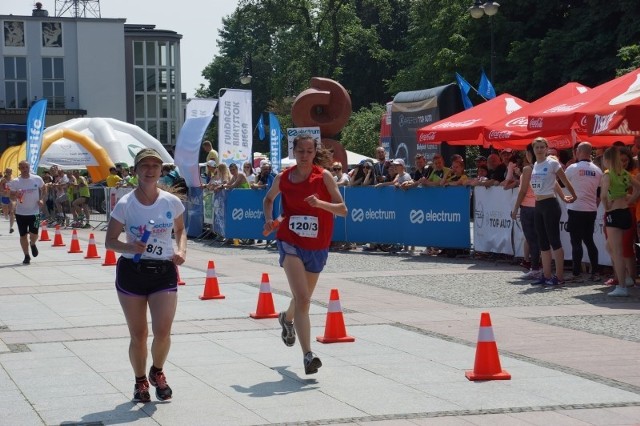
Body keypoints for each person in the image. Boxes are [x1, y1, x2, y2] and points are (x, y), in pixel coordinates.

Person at [105, 148, 187, 402]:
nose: (150, 170)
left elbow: (181, 229)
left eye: (155, 166)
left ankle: (157, 372)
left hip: (163, 271)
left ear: (161, 170)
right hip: (133, 272)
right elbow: (109, 241)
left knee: (163, 331)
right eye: (145, 166)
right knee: (138, 334)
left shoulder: (171, 202)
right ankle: (140, 381)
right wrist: (129, 247)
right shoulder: (125, 203)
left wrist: (181, 249)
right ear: (136, 170)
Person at [262, 135, 347, 375]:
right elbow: (268, 199)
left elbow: (342, 210)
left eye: (309, 151)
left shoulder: (324, 177)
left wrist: (321, 204)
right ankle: (308, 355)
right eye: (300, 151)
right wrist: (269, 219)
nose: (304, 155)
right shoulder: (284, 178)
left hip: (318, 245)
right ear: (294, 152)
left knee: (303, 299)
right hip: (290, 241)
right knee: (302, 297)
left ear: (314, 153)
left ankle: (286, 319)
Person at [529, 137, 577, 286]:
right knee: (542, 241)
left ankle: (560, 276)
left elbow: (564, 180)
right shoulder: (536, 164)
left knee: (554, 240)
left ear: (546, 148)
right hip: (538, 204)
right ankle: (547, 275)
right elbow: (553, 182)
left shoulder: (552, 163)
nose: (539, 150)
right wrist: (562, 196)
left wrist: (572, 195)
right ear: (533, 149)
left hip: (550, 204)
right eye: (536, 147)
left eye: (542, 147)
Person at [564, 142, 603, 282]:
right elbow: (599, 194)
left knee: (576, 242)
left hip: (575, 208)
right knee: (589, 241)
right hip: (591, 210)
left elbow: (561, 181)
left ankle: (576, 274)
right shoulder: (598, 170)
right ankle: (596, 273)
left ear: (578, 151)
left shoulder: (572, 168)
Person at [511, 143, 542, 280]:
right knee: (539, 240)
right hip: (541, 205)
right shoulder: (544, 167)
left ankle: (535, 268)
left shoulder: (528, 169)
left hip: (528, 207)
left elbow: (523, 191)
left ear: (530, 153)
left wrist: (516, 207)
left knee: (532, 239)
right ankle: (538, 267)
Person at [8, 161, 45, 265]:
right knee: (23, 235)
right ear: (19, 169)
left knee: (35, 234)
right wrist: (15, 194)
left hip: (35, 212)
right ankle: (26, 256)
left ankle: (32, 243)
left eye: (26, 167)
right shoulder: (15, 181)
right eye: (22, 167)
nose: (25, 169)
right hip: (21, 213)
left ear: (29, 168)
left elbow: (44, 188)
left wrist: (41, 199)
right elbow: (11, 196)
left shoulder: (37, 179)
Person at [1, 168, 15, 233]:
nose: (8, 173)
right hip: (4, 197)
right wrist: (4, 191)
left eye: (10, 172)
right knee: (6, 213)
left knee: (12, 212)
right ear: (5, 172)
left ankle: (11, 227)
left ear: (11, 172)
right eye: (7, 172)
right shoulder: (3, 180)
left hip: (12, 197)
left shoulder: (13, 180)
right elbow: (0, 189)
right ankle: (6, 215)